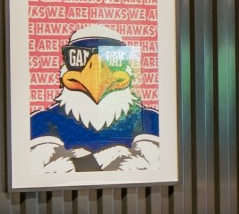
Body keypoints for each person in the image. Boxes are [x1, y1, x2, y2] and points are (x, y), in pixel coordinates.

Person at [26, 22, 160, 175]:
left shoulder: (149, 119)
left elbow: (153, 167)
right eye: (79, 58)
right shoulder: (43, 121)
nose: (96, 71)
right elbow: (43, 172)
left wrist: (80, 162)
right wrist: (106, 157)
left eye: (112, 60)